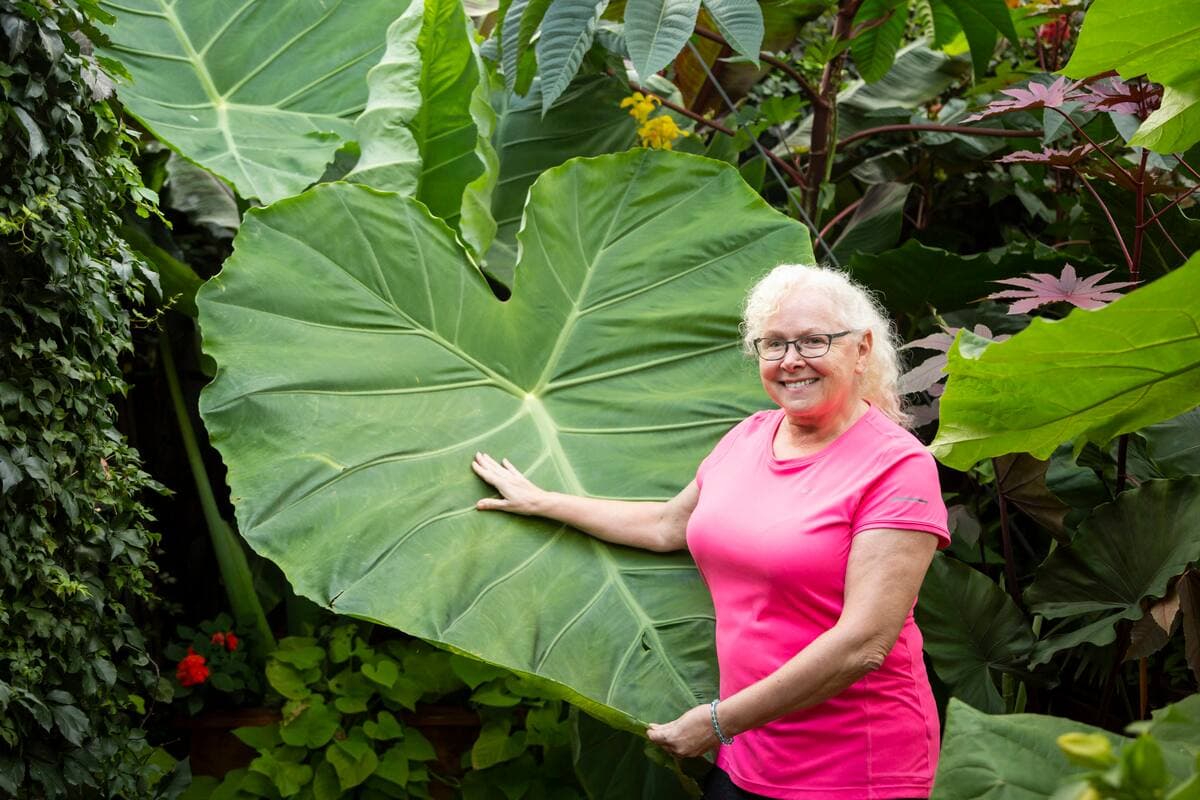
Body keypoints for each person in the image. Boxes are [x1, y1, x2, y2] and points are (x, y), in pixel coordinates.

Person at [471, 263, 949, 800]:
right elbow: (666, 525)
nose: (791, 360)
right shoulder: (750, 436)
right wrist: (543, 500)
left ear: (861, 349)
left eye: (814, 341)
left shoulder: (897, 467)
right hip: (748, 751)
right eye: (774, 344)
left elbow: (864, 643)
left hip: (856, 767)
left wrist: (718, 721)